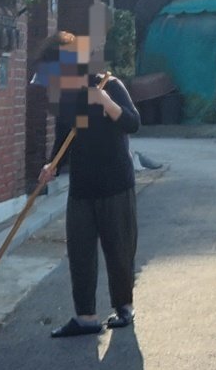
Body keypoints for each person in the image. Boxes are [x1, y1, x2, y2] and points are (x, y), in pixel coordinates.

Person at [37, 34, 142, 338]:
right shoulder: (66, 97)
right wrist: (52, 164)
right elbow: (63, 137)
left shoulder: (109, 85)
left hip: (115, 184)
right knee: (81, 253)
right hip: (82, 186)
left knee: (119, 249)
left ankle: (124, 308)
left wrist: (106, 102)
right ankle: (86, 317)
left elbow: (133, 123)